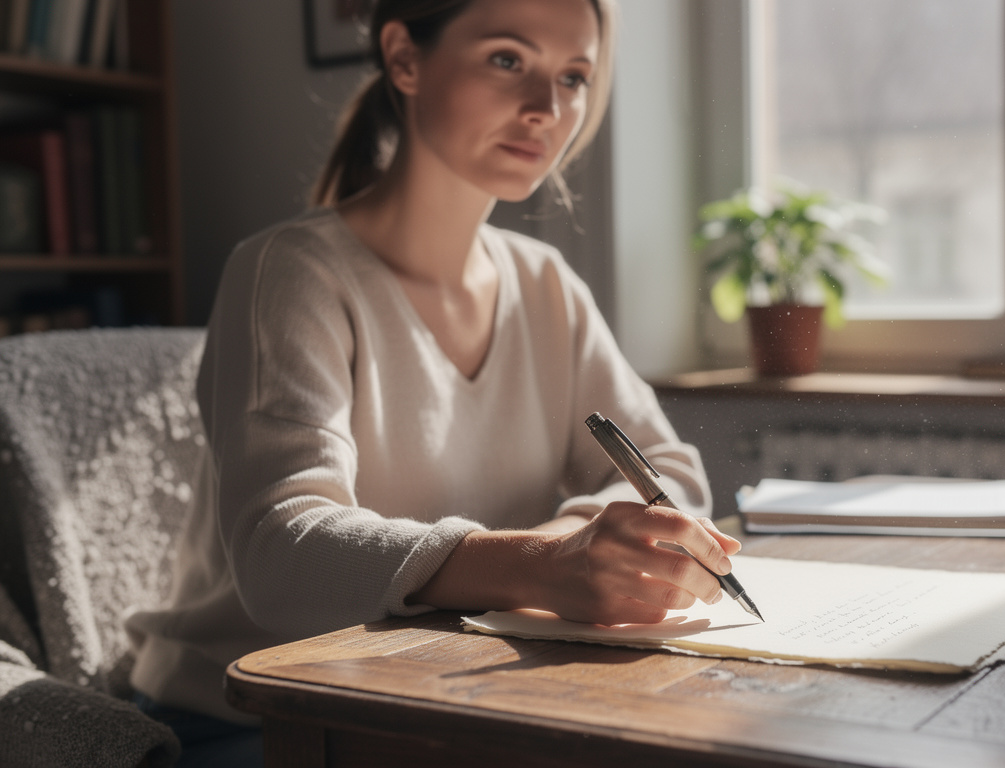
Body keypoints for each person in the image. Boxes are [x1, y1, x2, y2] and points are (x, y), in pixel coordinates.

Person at [126, 1, 734, 764]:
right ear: (405, 60)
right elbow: (281, 551)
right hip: (244, 713)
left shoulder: (546, 284)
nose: (548, 108)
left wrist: (556, 554)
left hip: (427, 695)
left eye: (574, 76)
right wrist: (540, 567)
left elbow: (668, 472)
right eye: (508, 60)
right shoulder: (288, 273)